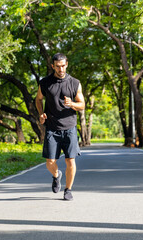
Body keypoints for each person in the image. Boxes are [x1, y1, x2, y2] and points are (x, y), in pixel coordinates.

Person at [35, 53, 85, 201]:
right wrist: (41, 113)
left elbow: (82, 105)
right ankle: (57, 176)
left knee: (70, 161)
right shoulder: (45, 83)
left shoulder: (75, 83)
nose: (61, 69)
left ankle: (68, 189)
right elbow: (38, 99)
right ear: (53, 66)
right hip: (52, 128)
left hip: (69, 128)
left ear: (67, 64)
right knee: (50, 162)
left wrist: (72, 104)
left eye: (63, 66)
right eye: (57, 66)